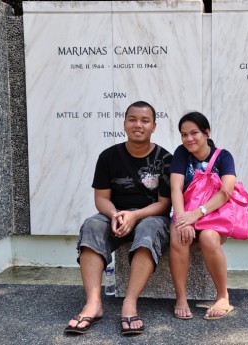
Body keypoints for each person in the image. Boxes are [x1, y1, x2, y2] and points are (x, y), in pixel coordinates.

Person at [65, 101, 172, 335]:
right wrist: (114, 214)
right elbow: (101, 198)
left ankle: (129, 303)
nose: (138, 125)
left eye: (145, 120)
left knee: (149, 230)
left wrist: (134, 215)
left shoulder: (165, 159)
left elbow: (164, 204)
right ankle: (93, 303)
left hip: (150, 217)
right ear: (124, 124)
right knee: (92, 225)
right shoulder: (108, 157)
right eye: (132, 119)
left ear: (154, 126)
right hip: (115, 215)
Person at [169, 111, 236, 320]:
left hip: (214, 215)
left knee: (208, 237)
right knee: (178, 236)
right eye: (184, 134)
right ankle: (181, 297)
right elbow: (176, 189)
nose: (188, 139)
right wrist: (182, 219)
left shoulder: (223, 156)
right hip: (186, 212)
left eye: (194, 133)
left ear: (206, 132)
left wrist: (197, 215)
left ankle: (223, 296)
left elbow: (226, 191)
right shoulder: (181, 153)